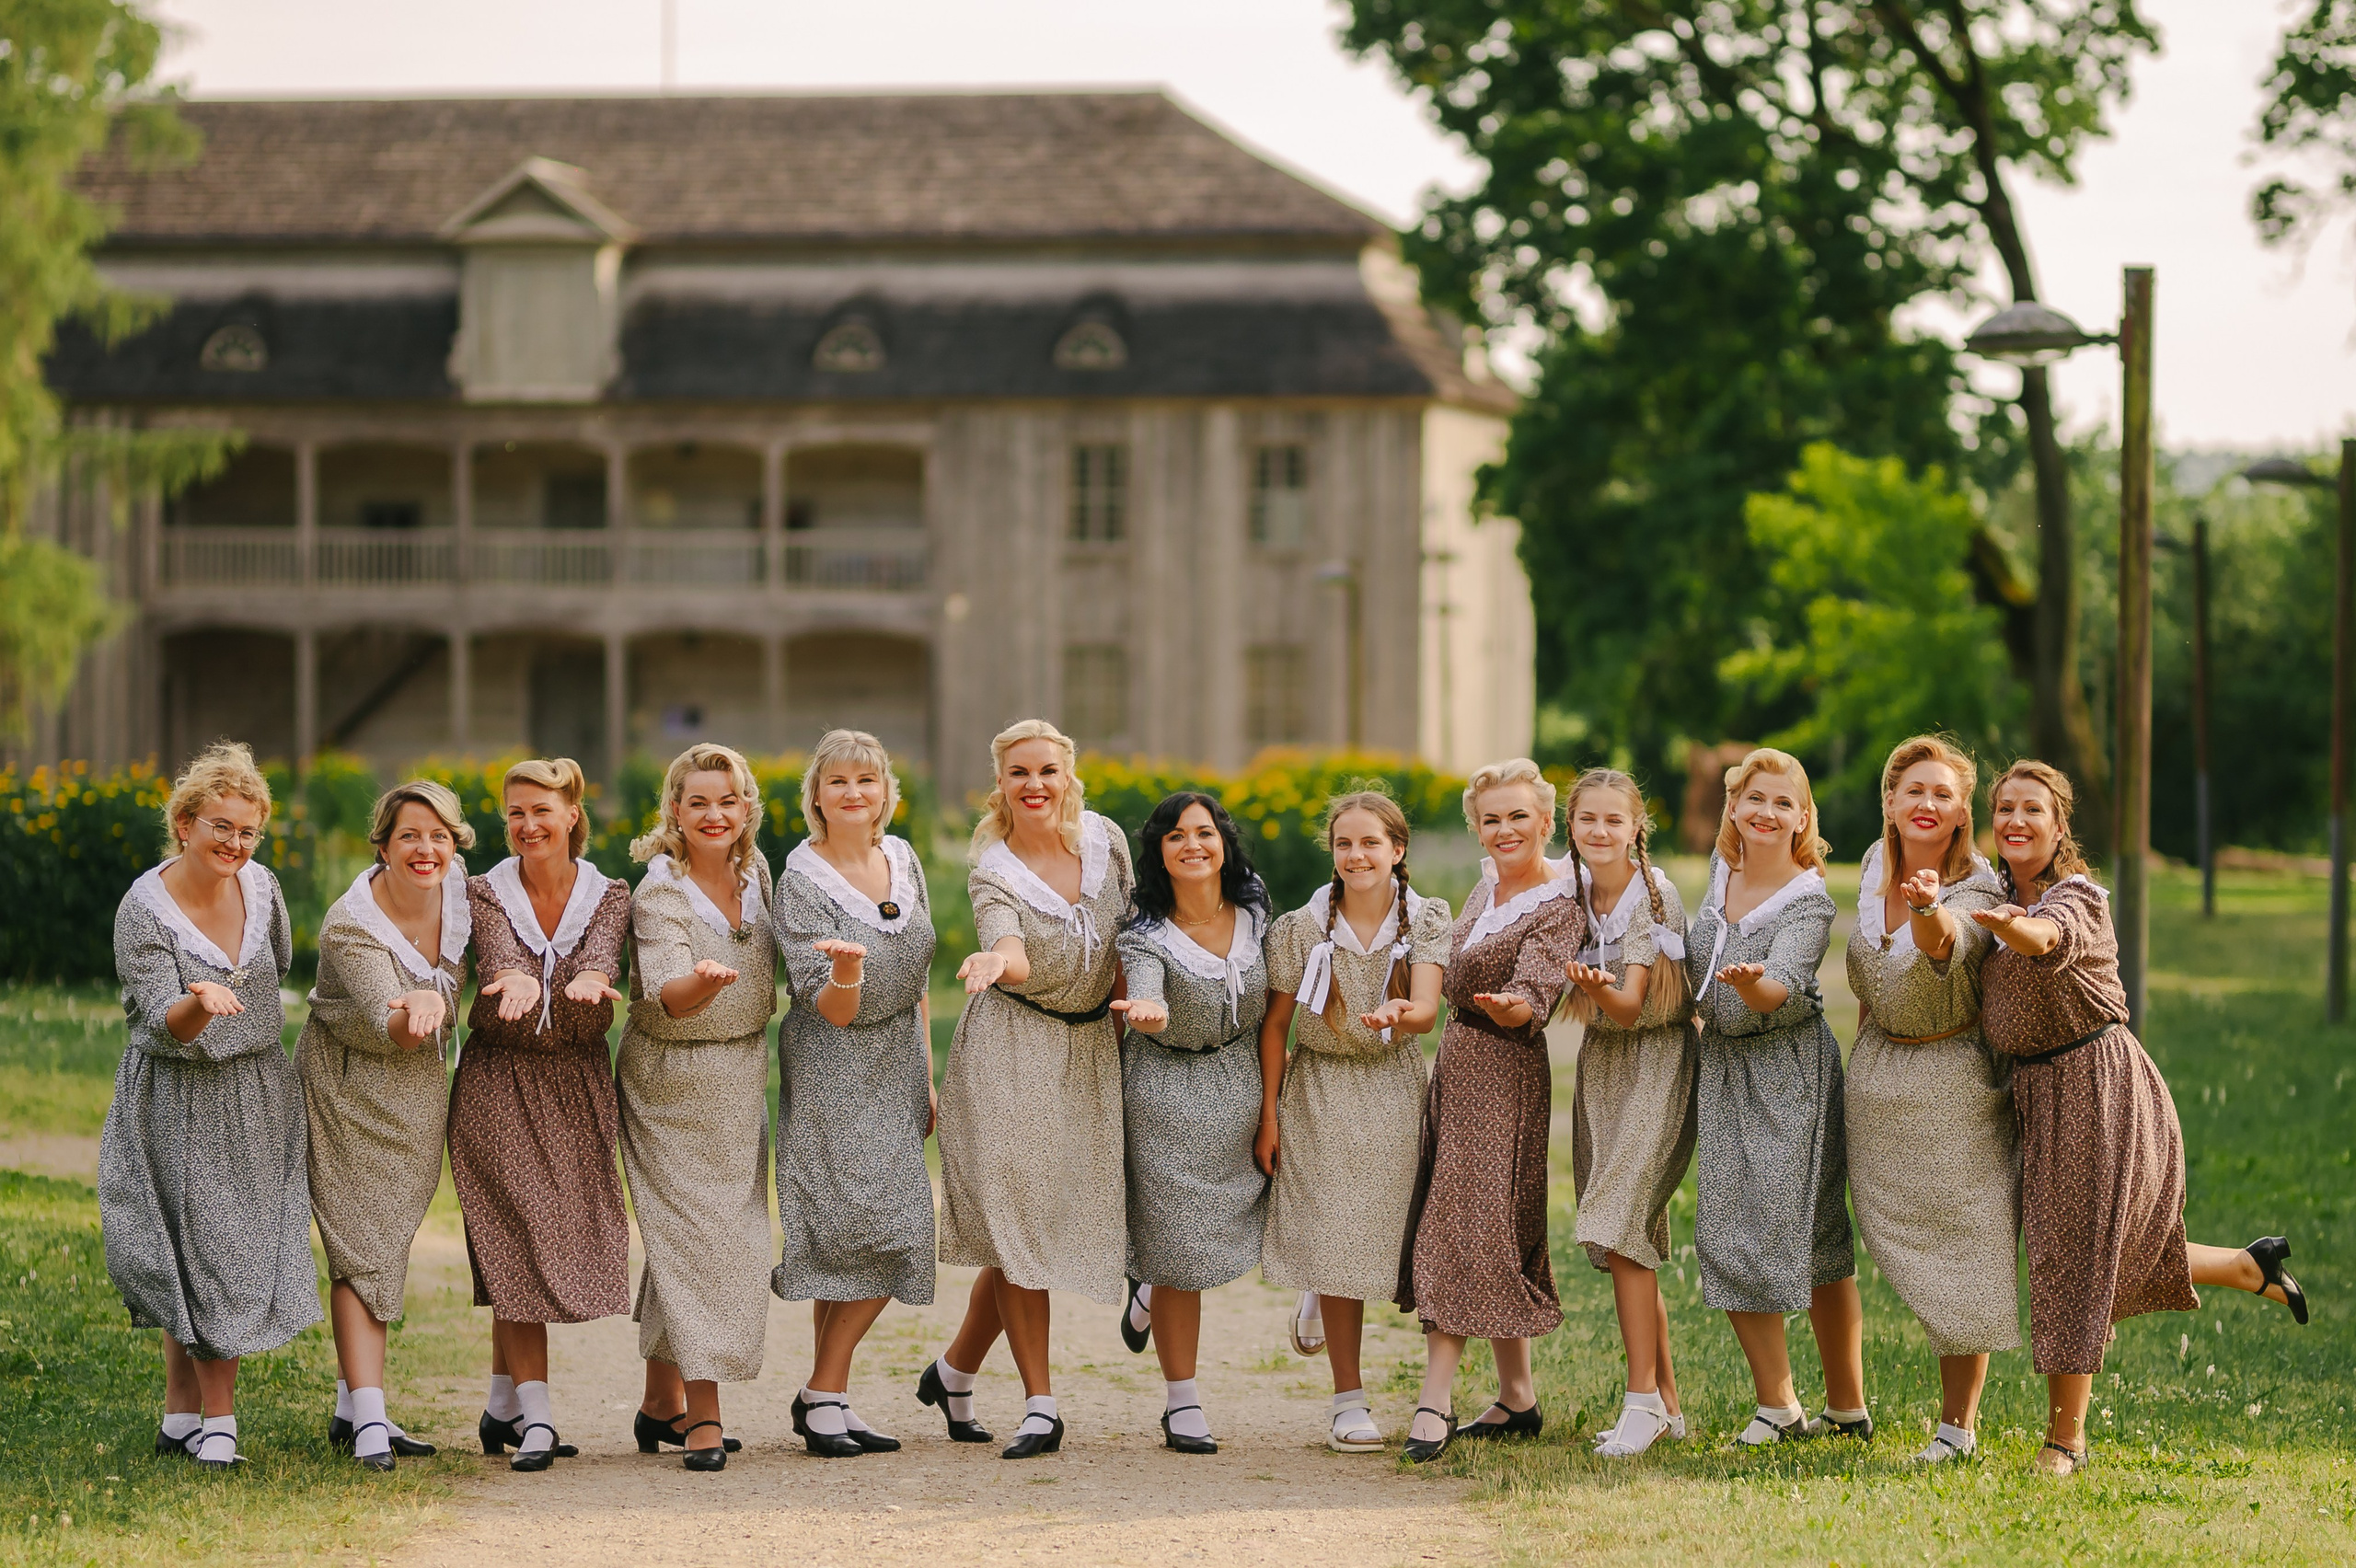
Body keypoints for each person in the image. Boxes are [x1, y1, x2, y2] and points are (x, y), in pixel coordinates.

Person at [1975, 760, 2309, 1477]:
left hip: (2095, 1088)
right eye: (2004, 808)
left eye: (2032, 810)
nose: (2016, 821)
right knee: (2100, 1249)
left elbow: (2049, 941)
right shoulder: (1991, 893)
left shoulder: (2077, 898)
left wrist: (2015, 928)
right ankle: (2251, 1266)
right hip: (2040, 1094)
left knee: (2076, 1259)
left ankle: (2065, 1442)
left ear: (2059, 826)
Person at [102, 741, 319, 1470]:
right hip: (176, 1089)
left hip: (256, 1087)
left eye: (247, 831)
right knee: (190, 1250)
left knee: (227, 1247)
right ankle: (211, 1421)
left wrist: (238, 1014)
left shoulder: (265, 890)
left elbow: (279, 965)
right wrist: (199, 1002)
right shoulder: (144, 909)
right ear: (186, 822)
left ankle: (187, 1417)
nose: (234, 843)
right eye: (220, 826)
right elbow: (162, 1019)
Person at [924, 720, 1133, 1459]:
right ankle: (1041, 1404)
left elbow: (1131, 940)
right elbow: (1006, 941)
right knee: (1017, 1230)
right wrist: (996, 962)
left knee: (1037, 1228)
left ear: (1068, 776)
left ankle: (952, 1372)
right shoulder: (993, 869)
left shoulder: (1108, 843)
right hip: (1011, 1046)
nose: (1035, 785)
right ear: (1000, 785)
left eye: (1046, 771)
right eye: (1019, 774)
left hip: (1092, 1048)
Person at [448, 756, 632, 1472]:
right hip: (499, 1079)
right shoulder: (483, 891)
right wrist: (517, 977)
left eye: (541, 812)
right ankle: (539, 1421)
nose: (528, 826)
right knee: (516, 1238)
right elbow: (498, 955)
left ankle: (501, 1406)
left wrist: (593, 975)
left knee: (551, 1239)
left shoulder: (611, 892)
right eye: (516, 813)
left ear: (571, 816)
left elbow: (602, 953)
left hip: (579, 1082)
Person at [1399, 759, 1585, 1464]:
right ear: (1477, 827)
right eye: (1491, 818)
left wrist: (1520, 1005)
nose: (1504, 829)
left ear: (1546, 821)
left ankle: (1432, 1399)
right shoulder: (1483, 890)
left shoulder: (1559, 902)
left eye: (1518, 816)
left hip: (1505, 1071)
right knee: (1490, 1221)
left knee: (1464, 1220)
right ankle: (1518, 1398)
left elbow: (1537, 986)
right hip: (1459, 1064)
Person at [1258, 790, 1449, 1454]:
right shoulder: (1298, 929)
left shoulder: (1425, 919)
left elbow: (1426, 1006)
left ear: (1397, 851)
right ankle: (1348, 1399)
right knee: (1338, 1236)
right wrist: (1268, 1115)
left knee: (1386, 1232)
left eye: (1371, 843)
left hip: (1393, 1087)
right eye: (1345, 844)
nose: (1357, 855)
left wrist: (1403, 1015)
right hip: (1318, 1088)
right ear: (1333, 852)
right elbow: (1277, 1026)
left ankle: (1320, 1282)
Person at [1685, 747, 1866, 1447]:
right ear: (1734, 805)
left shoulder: (1810, 899)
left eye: (1782, 803)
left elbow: (1782, 987)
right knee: (1725, 1234)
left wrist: (1749, 981)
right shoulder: (1717, 872)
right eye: (1755, 797)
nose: (1766, 811)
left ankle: (1846, 1407)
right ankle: (1782, 1403)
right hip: (1725, 1070)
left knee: (1815, 1239)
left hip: (1788, 1071)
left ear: (1802, 818)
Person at [1842, 737, 2017, 1464]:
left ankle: (1958, 1430)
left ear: (1960, 813)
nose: (1927, 804)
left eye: (1943, 795)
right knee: (1892, 1246)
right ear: (1889, 800)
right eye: (1913, 790)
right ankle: (1837, 1403)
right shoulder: (1867, 868)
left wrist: (1927, 909)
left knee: (1965, 1250)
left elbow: (1947, 946)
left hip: (1954, 1085)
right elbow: (1869, 978)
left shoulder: (1978, 888)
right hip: (1879, 1084)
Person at [297, 779, 474, 1471]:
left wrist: (516, 980)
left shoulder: (463, 896)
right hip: (349, 1090)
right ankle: (370, 1421)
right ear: (382, 845)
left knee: (388, 1238)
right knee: (360, 1245)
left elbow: (506, 951)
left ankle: (351, 1407)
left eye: (438, 835)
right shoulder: (350, 923)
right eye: (409, 836)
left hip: (419, 1098)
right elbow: (391, 1024)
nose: (425, 849)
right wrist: (419, 1011)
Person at [773, 731, 939, 1458]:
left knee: (874, 1233)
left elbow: (922, 980)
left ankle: (827, 1399)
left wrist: (927, 1072)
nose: (852, 793)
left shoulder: (901, 859)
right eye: (837, 781)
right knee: (870, 1229)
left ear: (884, 793)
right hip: (834, 1060)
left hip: (897, 1058)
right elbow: (831, 1007)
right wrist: (846, 972)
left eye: (865, 781)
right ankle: (823, 1393)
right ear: (816, 795)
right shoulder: (799, 882)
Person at [618, 744, 776, 1471]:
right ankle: (704, 1416)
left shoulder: (760, 875)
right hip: (670, 1081)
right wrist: (705, 983)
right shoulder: (660, 893)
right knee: (705, 1242)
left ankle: (659, 1403)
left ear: (746, 809)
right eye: (698, 802)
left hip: (741, 1073)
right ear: (675, 811)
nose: (714, 814)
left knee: (693, 1239)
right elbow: (668, 993)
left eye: (727, 800)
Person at [1111, 792, 1273, 1455]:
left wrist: (1272, 1105)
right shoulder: (1143, 934)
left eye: (1204, 832)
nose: (1193, 845)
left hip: (1241, 1083)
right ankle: (1183, 1403)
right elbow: (1143, 983)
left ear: (1224, 842)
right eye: (1176, 836)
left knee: (1289, 1199)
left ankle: (1146, 1276)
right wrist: (1146, 1008)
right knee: (1179, 1255)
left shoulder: (1258, 911)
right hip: (1164, 1093)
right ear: (1160, 853)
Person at [1558, 768, 1695, 1458]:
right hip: (1604, 1066)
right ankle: (1667, 1407)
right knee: (1625, 1237)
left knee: (1619, 1222)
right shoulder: (1571, 891)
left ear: (1636, 827)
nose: (1600, 832)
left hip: (1658, 1062)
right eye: (1588, 820)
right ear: (1571, 825)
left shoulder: (1653, 894)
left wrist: (1589, 984)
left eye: (1614, 820)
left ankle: (1639, 1400)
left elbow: (1632, 1004)